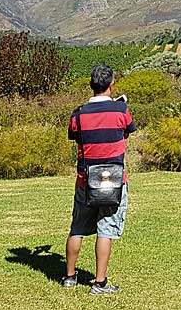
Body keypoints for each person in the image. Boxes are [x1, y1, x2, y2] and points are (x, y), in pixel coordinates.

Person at [61, 64, 136, 295]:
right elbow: (126, 131)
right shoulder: (121, 110)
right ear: (111, 85)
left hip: (85, 180)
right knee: (106, 230)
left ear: (91, 85)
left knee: (77, 228)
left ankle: (70, 277)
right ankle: (99, 283)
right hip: (113, 181)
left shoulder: (79, 114)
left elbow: (74, 135)